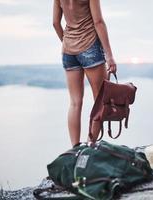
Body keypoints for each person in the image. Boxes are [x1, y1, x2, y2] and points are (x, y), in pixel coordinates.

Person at [53, 0, 117, 147]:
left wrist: (67, 41)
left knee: (75, 103)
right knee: (99, 100)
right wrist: (109, 55)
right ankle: (91, 145)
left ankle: (74, 148)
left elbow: (55, 23)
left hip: (68, 50)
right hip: (90, 47)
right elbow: (98, 22)